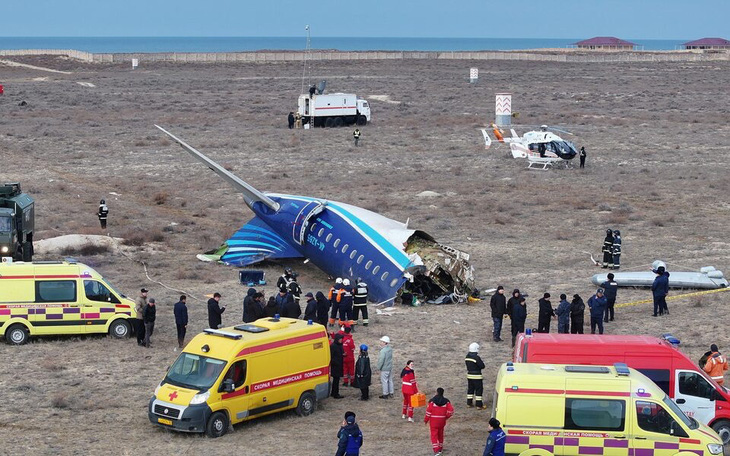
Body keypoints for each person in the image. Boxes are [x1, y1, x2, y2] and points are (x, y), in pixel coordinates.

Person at [424, 387, 455, 456]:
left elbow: (428, 412)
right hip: (442, 421)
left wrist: (426, 420)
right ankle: (440, 448)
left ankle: (436, 450)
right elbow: (451, 411)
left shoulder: (432, 402)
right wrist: (446, 417)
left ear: (437, 392)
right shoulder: (446, 402)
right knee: (440, 434)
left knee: (434, 435)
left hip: (433, 421)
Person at [465, 343, 486, 409]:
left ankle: (469, 403)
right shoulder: (476, 357)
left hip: (469, 375)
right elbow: (482, 366)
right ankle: (479, 405)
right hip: (477, 376)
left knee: (470, 389)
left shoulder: (467, 357)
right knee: (479, 390)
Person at [330, 333, 345, 399]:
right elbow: (331, 356)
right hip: (336, 366)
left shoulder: (339, 345)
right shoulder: (333, 346)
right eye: (340, 339)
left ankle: (334, 392)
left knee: (336, 380)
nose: (341, 340)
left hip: (339, 365)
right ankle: (335, 394)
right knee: (336, 380)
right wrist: (335, 362)